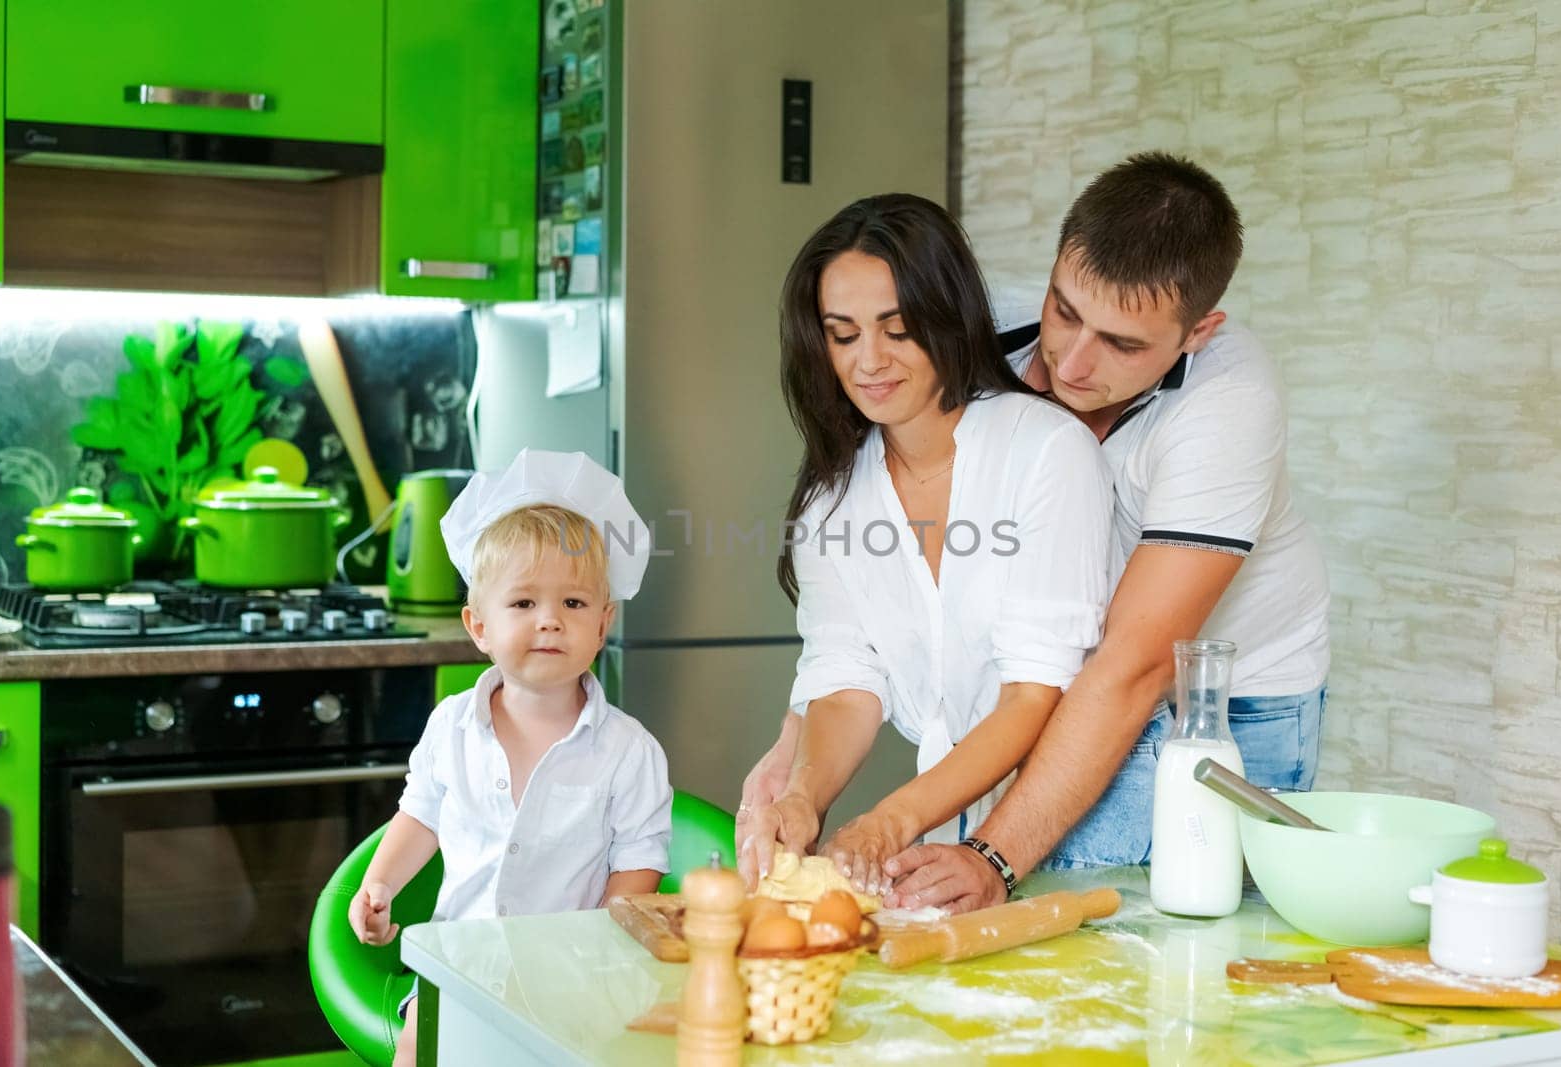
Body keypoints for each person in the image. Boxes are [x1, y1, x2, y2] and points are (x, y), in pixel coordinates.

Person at [874, 151, 1331, 911]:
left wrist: (993, 855)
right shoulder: (999, 331)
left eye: (1122, 344)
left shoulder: (1229, 404)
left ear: (1199, 331)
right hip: (1080, 677)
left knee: (1145, 948)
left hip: (1223, 705)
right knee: (1022, 928)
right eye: (1065, 311)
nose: (1072, 362)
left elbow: (1135, 664)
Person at [736, 193, 1114, 898]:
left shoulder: (1046, 454)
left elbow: (1034, 694)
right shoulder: (834, 498)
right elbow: (847, 681)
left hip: (1074, 826)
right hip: (947, 841)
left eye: (897, 329)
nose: (868, 361)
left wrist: (887, 821)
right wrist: (802, 799)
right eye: (842, 334)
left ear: (946, 317)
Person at [347, 449, 672, 1066]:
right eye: (523, 604)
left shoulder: (631, 751)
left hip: (575, 983)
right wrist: (380, 884)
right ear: (478, 626)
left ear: (603, 624)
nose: (549, 621)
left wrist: (594, 960)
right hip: (455, 968)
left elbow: (638, 868)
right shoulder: (451, 727)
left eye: (573, 605)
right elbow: (421, 817)